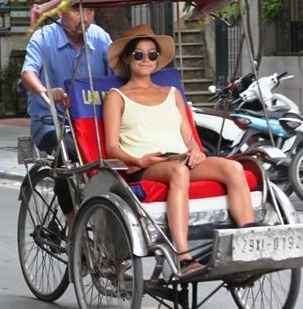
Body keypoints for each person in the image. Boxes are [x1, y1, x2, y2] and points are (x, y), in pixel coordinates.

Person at [102, 25, 257, 277]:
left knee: (234, 167)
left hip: (181, 159)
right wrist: (138, 160)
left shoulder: (172, 93)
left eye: (152, 55)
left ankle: (250, 241)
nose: (146, 60)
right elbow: (111, 147)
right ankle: (183, 256)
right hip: (146, 165)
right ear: (128, 59)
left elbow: (188, 137)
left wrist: (195, 150)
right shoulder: (116, 96)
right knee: (178, 171)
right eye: (139, 54)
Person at [20, 0, 112, 222]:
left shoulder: (100, 37)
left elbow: (117, 72)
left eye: (89, 10)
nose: (85, 17)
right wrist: (46, 91)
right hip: (51, 122)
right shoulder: (43, 37)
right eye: (76, 10)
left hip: (93, 124)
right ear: (61, 12)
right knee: (70, 152)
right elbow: (28, 72)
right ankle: (72, 223)